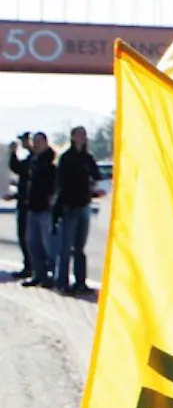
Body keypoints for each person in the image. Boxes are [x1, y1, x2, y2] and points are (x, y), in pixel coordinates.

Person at [53, 125, 101, 294]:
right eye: (79, 135)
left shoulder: (87, 158)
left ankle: (80, 282)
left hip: (84, 205)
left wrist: (95, 186)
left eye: (84, 135)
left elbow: (97, 176)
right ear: (73, 137)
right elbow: (62, 182)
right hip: (70, 206)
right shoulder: (66, 158)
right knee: (66, 248)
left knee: (80, 248)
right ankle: (62, 282)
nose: (82, 137)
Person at [21, 132, 56, 288]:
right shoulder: (33, 161)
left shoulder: (50, 161)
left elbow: (56, 182)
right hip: (32, 207)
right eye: (34, 142)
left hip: (45, 208)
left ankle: (52, 276)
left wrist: (52, 197)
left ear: (45, 142)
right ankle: (38, 275)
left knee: (49, 245)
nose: (35, 144)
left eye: (38, 142)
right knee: (32, 243)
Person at [9, 134, 34, 280]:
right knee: (24, 236)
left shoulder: (37, 159)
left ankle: (33, 267)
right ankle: (28, 265)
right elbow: (17, 168)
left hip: (31, 204)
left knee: (29, 237)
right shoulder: (30, 160)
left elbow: (19, 168)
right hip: (24, 202)